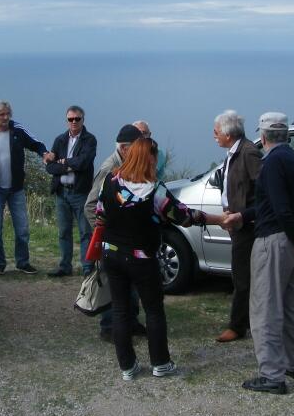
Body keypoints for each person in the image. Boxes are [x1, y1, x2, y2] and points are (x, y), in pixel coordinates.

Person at [94, 138, 227, 381]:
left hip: (111, 253)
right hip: (142, 258)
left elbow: (100, 213)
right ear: (150, 159)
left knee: (121, 311)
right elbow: (184, 216)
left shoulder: (110, 182)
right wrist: (219, 219)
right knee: (154, 310)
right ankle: (160, 363)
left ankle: (127, 367)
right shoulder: (155, 190)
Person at [225, 112, 294, 395]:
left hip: (279, 239)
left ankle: (272, 375)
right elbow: (280, 202)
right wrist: (243, 214)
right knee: (293, 304)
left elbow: (278, 208)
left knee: (265, 307)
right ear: (285, 135)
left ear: (262, 137)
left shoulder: (272, 163)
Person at [0, 100, 52, 275]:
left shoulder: (18, 130)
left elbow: (36, 143)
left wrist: (44, 153)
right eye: (1, 114)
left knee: (22, 229)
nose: (5, 117)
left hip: (16, 189)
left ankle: (23, 262)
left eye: (8, 114)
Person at [85, 124, 148, 341]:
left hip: (126, 240)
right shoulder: (109, 168)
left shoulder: (130, 165)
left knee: (130, 281)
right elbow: (90, 205)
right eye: (137, 147)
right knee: (112, 282)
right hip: (111, 240)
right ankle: (108, 326)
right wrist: (104, 232)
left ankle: (131, 322)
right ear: (123, 148)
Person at [212, 109, 263, 343]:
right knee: (242, 275)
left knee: (242, 277)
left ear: (228, 134)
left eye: (216, 132)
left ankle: (238, 325)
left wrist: (242, 215)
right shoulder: (234, 152)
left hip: (248, 225)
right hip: (237, 221)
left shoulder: (249, 153)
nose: (214, 136)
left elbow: (262, 191)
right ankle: (248, 321)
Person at [45, 105, 97, 277]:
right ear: (67, 120)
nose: (74, 122)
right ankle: (65, 266)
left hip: (80, 192)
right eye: (70, 119)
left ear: (83, 120)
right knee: (64, 231)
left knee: (85, 231)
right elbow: (50, 167)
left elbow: (84, 162)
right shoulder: (59, 140)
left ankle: (87, 266)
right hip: (62, 192)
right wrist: (68, 166)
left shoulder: (90, 140)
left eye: (77, 119)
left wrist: (64, 162)